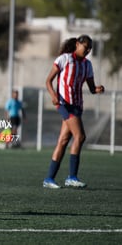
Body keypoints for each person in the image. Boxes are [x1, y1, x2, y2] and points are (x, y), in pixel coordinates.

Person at [43, 34, 105, 189]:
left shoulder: (87, 65)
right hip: (65, 104)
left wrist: (98, 89)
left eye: (90, 48)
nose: (88, 50)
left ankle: (49, 179)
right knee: (80, 136)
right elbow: (48, 81)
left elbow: (91, 88)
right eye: (86, 47)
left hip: (77, 106)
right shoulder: (64, 59)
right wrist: (53, 96)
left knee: (63, 140)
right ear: (77, 44)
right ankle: (71, 177)